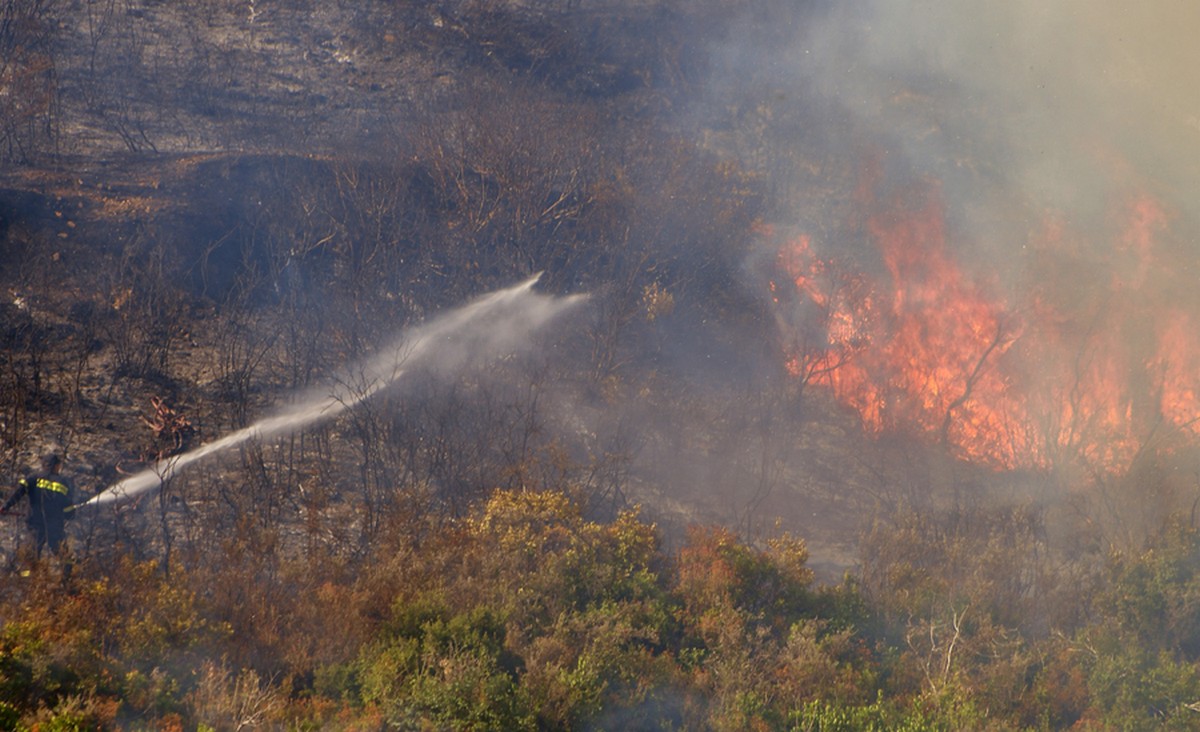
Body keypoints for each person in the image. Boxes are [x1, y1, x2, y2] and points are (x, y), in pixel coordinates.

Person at [1, 453, 76, 557]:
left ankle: (31, 567)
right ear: (56, 466)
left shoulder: (33, 478)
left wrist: (6, 506)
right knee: (63, 554)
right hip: (54, 526)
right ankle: (67, 567)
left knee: (32, 553)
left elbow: (18, 493)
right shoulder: (62, 482)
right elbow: (68, 505)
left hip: (35, 523)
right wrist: (70, 515)